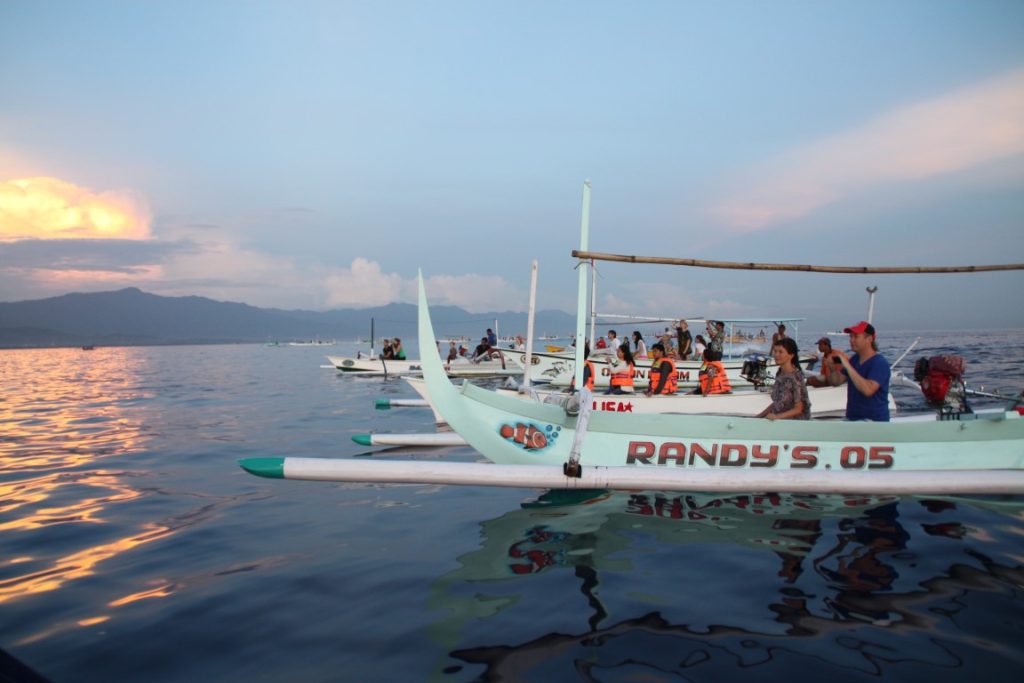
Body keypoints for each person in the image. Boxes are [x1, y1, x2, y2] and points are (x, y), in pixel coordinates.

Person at [833, 321, 891, 421]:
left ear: (869, 339)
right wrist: (832, 366)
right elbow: (836, 381)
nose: (851, 340)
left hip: (873, 422)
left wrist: (847, 365)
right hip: (853, 419)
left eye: (855, 336)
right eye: (850, 337)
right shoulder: (854, 360)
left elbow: (868, 390)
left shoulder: (879, 363)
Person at [757, 337, 810, 420]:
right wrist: (758, 417)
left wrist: (776, 417)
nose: (776, 355)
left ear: (791, 355)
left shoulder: (796, 377)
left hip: (795, 424)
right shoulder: (780, 373)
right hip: (781, 421)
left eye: (780, 352)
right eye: (775, 351)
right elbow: (776, 404)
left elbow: (799, 409)